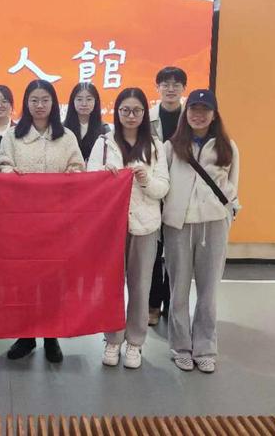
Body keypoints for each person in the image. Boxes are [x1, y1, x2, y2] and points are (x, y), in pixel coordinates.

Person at [0, 79, 85, 363]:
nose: (39, 105)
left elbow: (78, 167)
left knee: (52, 280)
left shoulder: (66, 136)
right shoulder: (13, 135)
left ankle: (51, 335)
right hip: (22, 220)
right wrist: (11, 174)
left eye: (45, 100)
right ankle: (26, 336)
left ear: (53, 103)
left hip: (57, 221)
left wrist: (71, 175)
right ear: (26, 103)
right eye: (34, 100)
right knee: (24, 279)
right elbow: (3, 165)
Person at [87, 88, 169, 369]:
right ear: (117, 112)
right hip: (111, 226)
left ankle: (135, 342)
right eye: (125, 110)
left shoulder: (156, 146)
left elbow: (163, 188)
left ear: (144, 113)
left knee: (140, 286)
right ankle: (112, 339)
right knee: (111, 286)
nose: (130, 116)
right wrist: (103, 177)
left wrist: (146, 180)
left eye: (136, 110)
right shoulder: (104, 143)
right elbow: (89, 181)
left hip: (145, 226)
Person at [163, 89, 240, 374]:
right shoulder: (171, 147)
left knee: (209, 291)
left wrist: (226, 214)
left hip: (213, 225)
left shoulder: (227, 147)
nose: (198, 114)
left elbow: (232, 186)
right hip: (179, 226)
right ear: (186, 114)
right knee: (178, 290)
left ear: (214, 114)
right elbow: (164, 185)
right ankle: (181, 346)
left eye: (204, 109)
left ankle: (206, 347)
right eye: (193, 109)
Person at [147, 66, 187, 326]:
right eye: (165, 84)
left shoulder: (191, 118)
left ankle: (172, 303)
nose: (170, 89)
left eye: (176, 84)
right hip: (153, 192)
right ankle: (152, 304)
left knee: (177, 254)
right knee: (153, 252)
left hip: (181, 194)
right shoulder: (148, 118)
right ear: (158, 87)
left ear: (184, 88)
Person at [63, 82, 111, 163]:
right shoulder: (63, 128)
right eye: (79, 99)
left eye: (89, 99)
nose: (84, 104)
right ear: (72, 101)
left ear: (96, 101)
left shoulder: (104, 129)